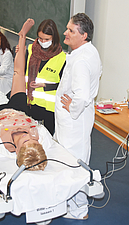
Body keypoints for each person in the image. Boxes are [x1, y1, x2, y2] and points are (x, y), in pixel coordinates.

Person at [0, 19, 47, 171]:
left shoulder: (3, 144)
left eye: (25, 143)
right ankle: (22, 36)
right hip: (18, 110)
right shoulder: (37, 136)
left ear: (17, 150)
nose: (29, 138)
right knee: (19, 74)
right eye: (34, 142)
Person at [54, 13, 102, 220]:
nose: (65, 33)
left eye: (71, 30)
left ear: (83, 35)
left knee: (74, 163)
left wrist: (72, 108)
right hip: (76, 119)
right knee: (75, 159)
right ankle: (72, 203)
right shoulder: (88, 51)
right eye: (67, 28)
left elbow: (81, 96)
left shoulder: (81, 60)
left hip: (74, 119)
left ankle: (79, 209)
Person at [24, 19, 66, 134]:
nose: (42, 41)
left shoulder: (62, 57)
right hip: (30, 101)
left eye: (46, 39)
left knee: (47, 138)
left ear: (54, 38)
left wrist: (44, 85)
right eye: (40, 38)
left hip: (49, 107)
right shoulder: (31, 50)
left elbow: (64, 85)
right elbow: (23, 72)